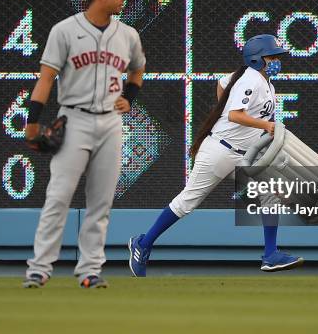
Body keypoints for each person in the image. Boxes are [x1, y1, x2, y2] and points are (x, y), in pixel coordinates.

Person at [128, 34, 303, 277]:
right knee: (187, 202)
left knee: (269, 194)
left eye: (276, 57)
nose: (276, 61)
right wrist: (264, 126)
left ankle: (271, 254)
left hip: (244, 155)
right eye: (271, 56)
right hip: (220, 151)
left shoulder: (259, 81)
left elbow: (222, 84)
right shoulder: (251, 79)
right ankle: (143, 243)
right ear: (256, 60)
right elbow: (234, 115)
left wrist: (234, 111)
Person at [23, 0, 146, 289]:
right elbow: (46, 79)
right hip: (74, 118)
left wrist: (129, 98)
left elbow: (138, 69)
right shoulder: (64, 31)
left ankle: (90, 270)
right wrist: (32, 122)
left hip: (110, 122)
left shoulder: (128, 34)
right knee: (58, 196)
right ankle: (39, 268)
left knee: (101, 200)